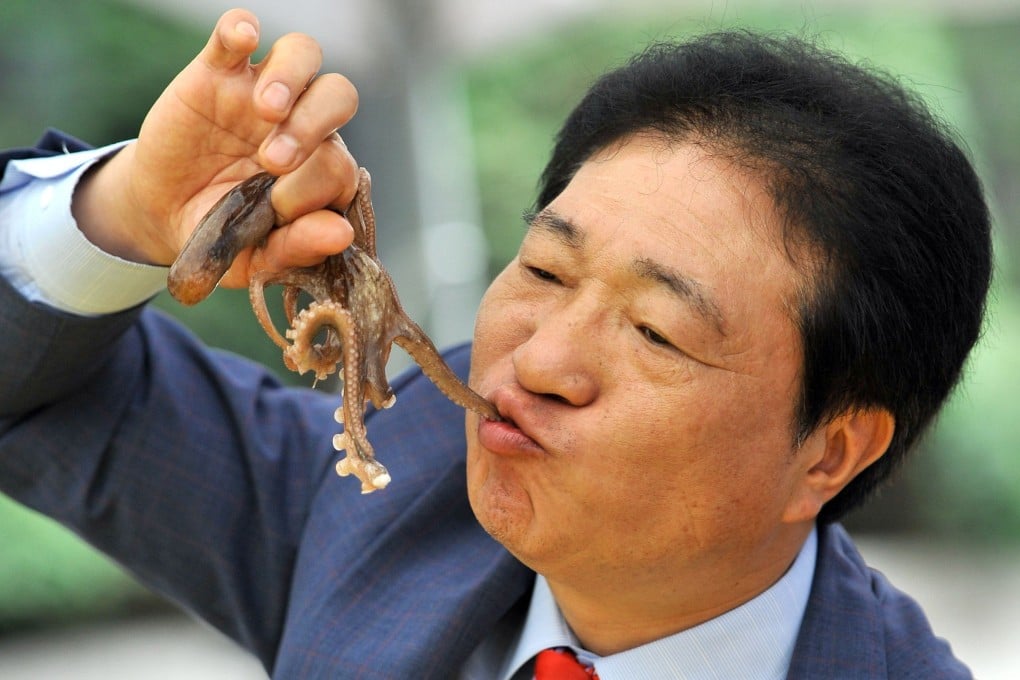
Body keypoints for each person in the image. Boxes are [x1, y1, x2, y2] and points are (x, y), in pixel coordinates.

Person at [0, 8, 990, 679]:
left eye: (655, 328)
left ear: (829, 448)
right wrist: (127, 212)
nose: (539, 359)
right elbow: (31, 388)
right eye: (548, 270)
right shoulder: (381, 506)